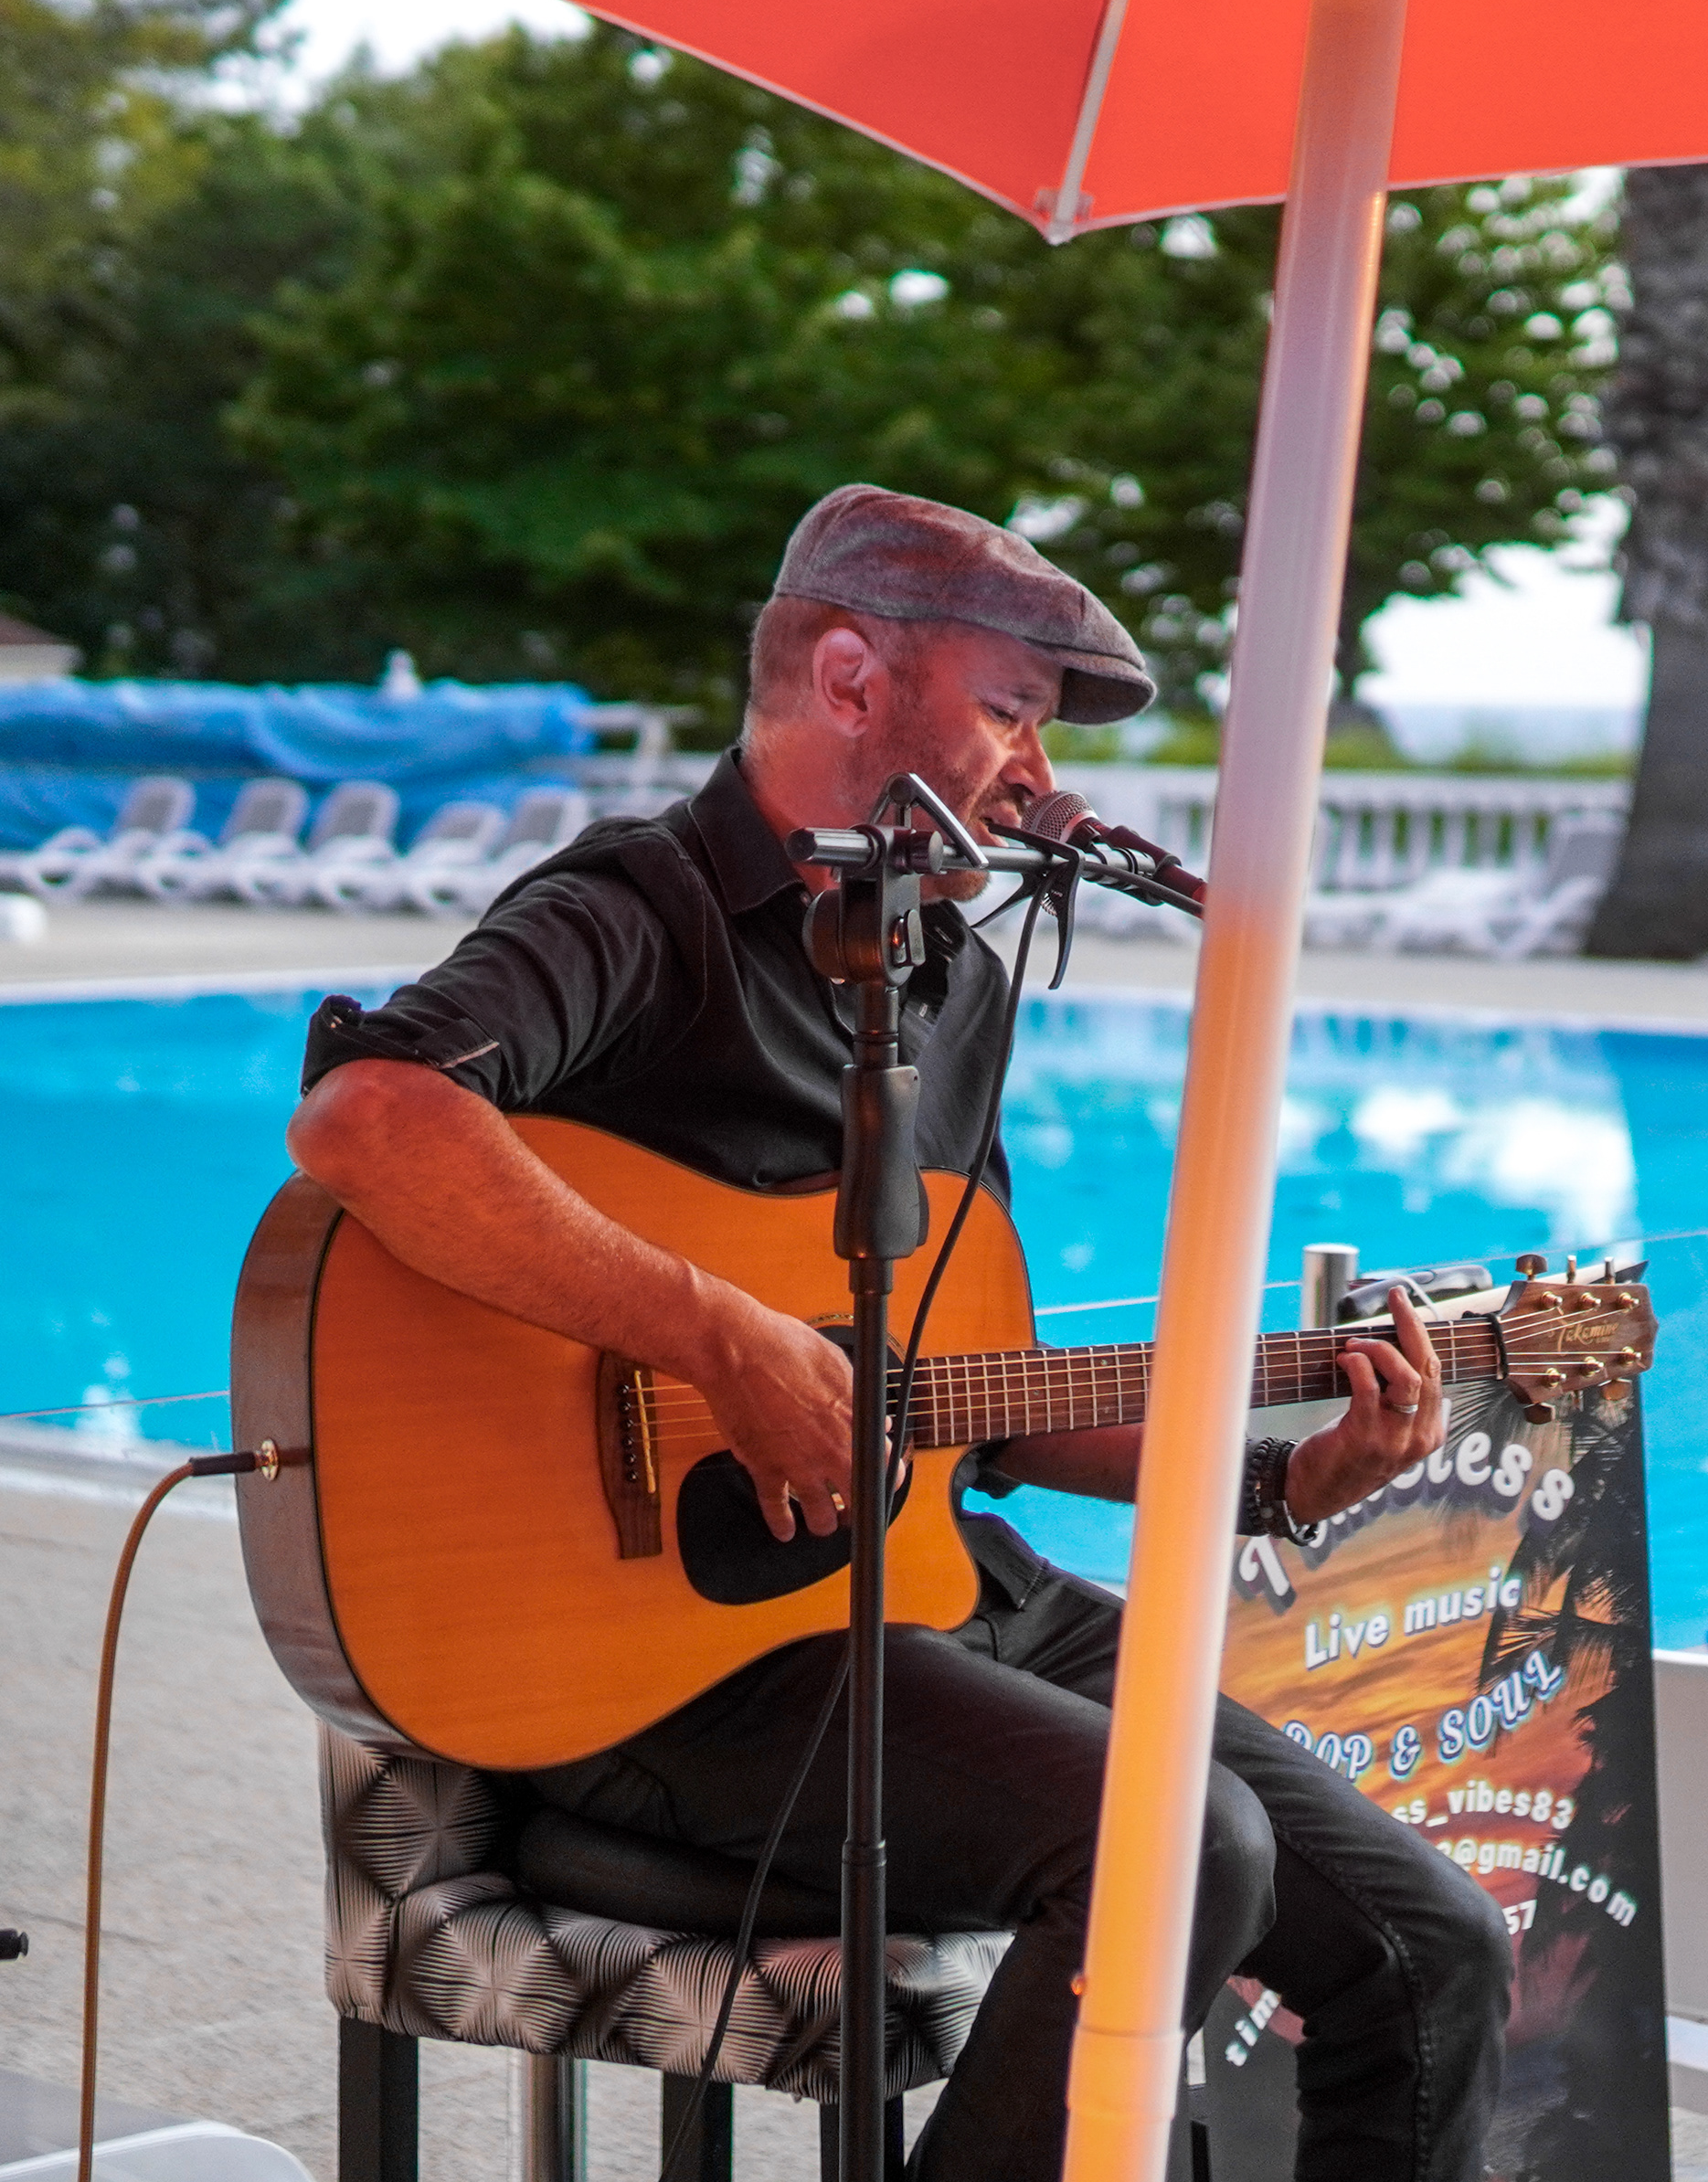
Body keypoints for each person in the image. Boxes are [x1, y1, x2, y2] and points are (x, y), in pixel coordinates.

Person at [289, 484, 1512, 2182]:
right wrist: (718, 1334)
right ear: (852, 678)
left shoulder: (955, 973)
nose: (1038, 768)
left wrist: (1287, 1478)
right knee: (1179, 1846)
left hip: (936, 1591)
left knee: (1434, 1944)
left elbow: (974, 1397)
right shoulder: (641, 906)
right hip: (685, 1661)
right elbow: (369, 1117)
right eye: (1010, 707)